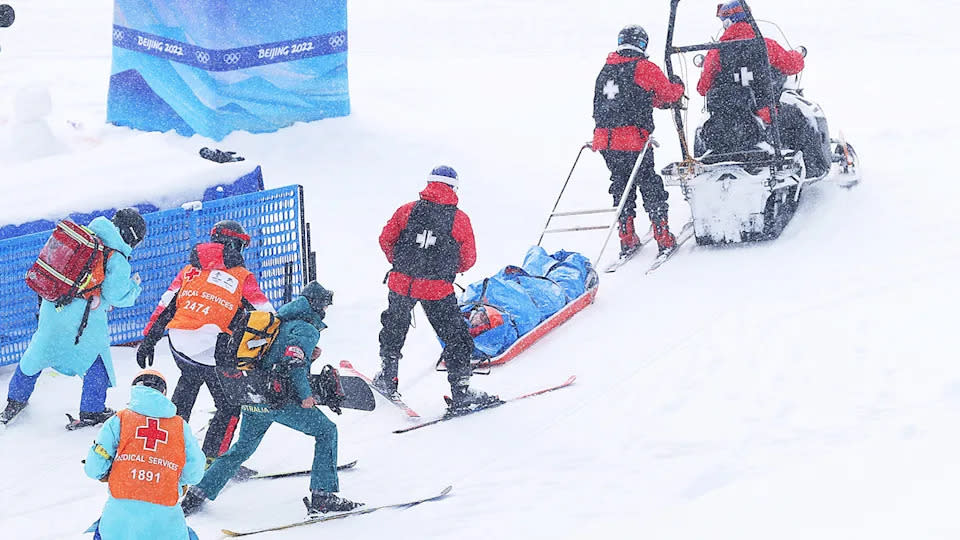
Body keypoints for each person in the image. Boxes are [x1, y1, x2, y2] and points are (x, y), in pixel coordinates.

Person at [180, 281, 362, 516]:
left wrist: (311, 357)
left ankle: (198, 493)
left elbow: (276, 359)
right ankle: (323, 497)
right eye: (325, 306)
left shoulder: (277, 322)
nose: (325, 311)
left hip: (253, 395)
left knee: (241, 448)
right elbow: (293, 364)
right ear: (317, 306)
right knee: (326, 431)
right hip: (278, 400)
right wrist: (306, 396)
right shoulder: (307, 329)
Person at [137, 220, 274, 465]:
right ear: (234, 244)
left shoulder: (189, 269)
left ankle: (168, 453)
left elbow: (166, 306)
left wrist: (149, 338)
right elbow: (266, 314)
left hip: (178, 345)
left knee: (187, 385)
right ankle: (212, 462)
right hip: (212, 352)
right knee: (229, 406)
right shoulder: (242, 277)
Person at [2, 209, 146, 428]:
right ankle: (92, 411)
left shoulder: (84, 236)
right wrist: (134, 287)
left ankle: (14, 401)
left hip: (53, 307)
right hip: (82, 322)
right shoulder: (115, 257)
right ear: (131, 235)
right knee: (97, 363)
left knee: (36, 354)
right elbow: (116, 294)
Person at [372, 166, 498, 411]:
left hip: (402, 283)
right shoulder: (459, 219)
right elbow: (468, 258)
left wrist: (399, 262)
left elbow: (385, 239)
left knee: (394, 326)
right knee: (455, 336)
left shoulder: (406, 210)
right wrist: (446, 268)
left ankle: (388, 376)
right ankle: (461, 390)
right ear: (453, 188)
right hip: (436, 289)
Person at [695, 1, 822, 174]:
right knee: (802, 118)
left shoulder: (716, 52)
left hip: (727, 117)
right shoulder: (765, 45)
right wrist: (797, 55)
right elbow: (792, 66)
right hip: (763, 113)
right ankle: (812, 168)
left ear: (727, 22)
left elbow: (703, 88)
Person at [593, 25, 687, 257]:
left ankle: (626, 236)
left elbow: (628, 100)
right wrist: (678, 86)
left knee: (621, 185)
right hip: (633, 140)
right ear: (642, 44)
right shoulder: (643, 68)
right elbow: (667, 95)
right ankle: (663, 236)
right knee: (649, 183)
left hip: (605, 140)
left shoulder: (606, 70)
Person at [83, 370, 205, 540]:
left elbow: (94, 467)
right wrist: (176, 481)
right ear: (163, 393)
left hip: (119, 522)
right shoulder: (180, 427)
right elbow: (196, 472)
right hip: (165, 521)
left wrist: (108, 472)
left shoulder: (119, 419)